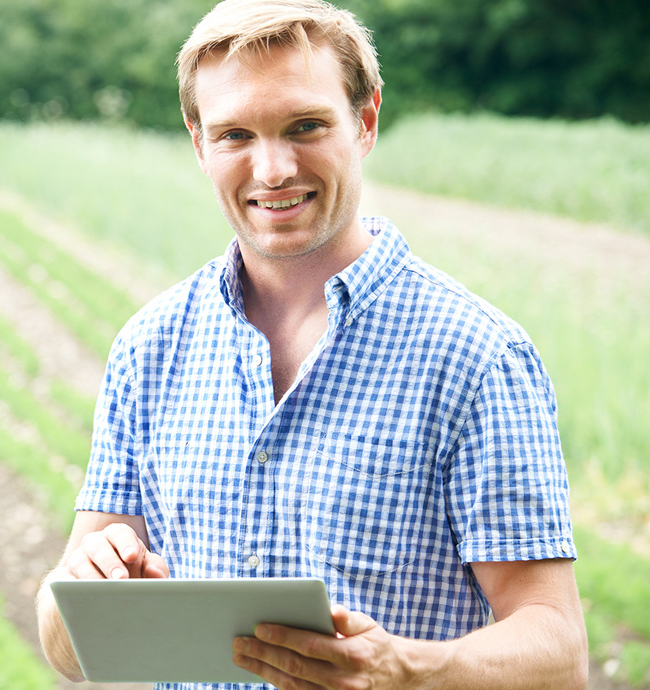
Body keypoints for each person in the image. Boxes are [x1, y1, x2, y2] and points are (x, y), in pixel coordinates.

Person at [35, 1, 589, 689]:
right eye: (235, 134)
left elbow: (558, 650)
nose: (272, 169)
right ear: (199, 143)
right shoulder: (150, 347)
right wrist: (82, 591)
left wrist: (407, 669)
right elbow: (66, 644)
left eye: (305, 126)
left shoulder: (475, 357)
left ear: (365, 121)